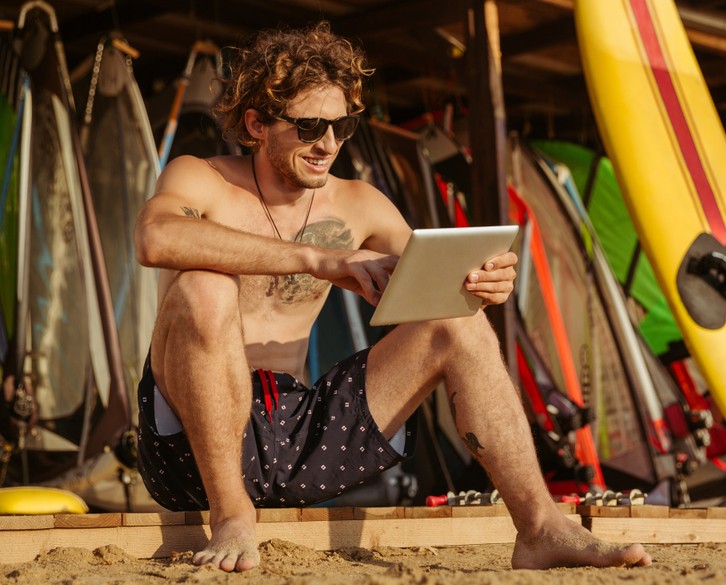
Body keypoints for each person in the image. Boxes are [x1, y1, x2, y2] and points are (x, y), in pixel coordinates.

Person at [133, 21, 652, 574]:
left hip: (297, 436)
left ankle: (541, 527)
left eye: (342, 125)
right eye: (310, 126)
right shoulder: (201, 177)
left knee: (458, 324)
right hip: (188, 448)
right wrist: (321, 260)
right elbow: (156, 238)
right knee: (204, 284)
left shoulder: (360, 203)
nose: (328, 144)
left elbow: (439, 284)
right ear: (258, 123)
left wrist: (485, 283)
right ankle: (232, 513)